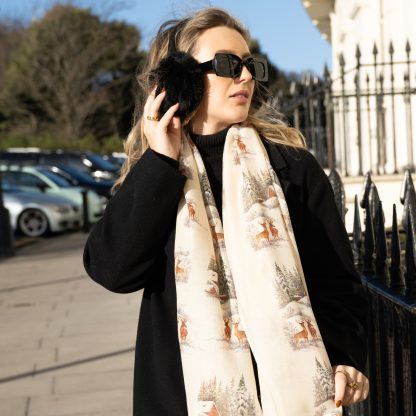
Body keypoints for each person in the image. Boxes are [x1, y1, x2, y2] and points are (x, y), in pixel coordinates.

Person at [83, 7, 369, 416]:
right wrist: (160, 164)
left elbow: (337, 283)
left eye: (250, 64)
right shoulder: (157, 174)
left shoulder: (292, 169)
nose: (246, 76)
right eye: (227, 65)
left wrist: (346, 356)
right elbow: (112, 270)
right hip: (182, 400)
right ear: (178, 79)